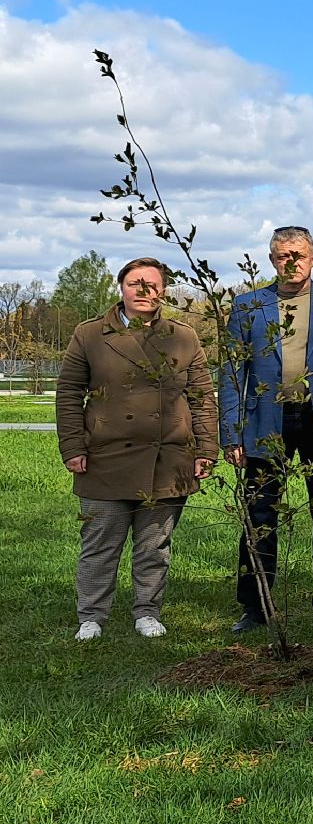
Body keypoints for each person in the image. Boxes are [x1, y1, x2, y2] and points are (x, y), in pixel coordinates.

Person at [57, 257, 218, 641]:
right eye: (135, 284)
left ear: (164, 289)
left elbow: (202, 397)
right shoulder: (90, 334)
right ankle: (92, 616)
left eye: (152, 284)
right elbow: (68, 394)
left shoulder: (184, 337)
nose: (144, 291)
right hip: (105, 457)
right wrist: (73, 446)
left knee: (154, 546)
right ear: (122, 288)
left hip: (168, 459)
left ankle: (147, 611)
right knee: (100, 544)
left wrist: (206, 449)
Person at [220, 226, 313, 630]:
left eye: (299, 254)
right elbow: (232, 374)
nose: (291, 262)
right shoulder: (248, 307)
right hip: (266, 420)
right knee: (260, 513)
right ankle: (255, 604)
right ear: (272, 260)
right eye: (283, 255)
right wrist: (233, 434)